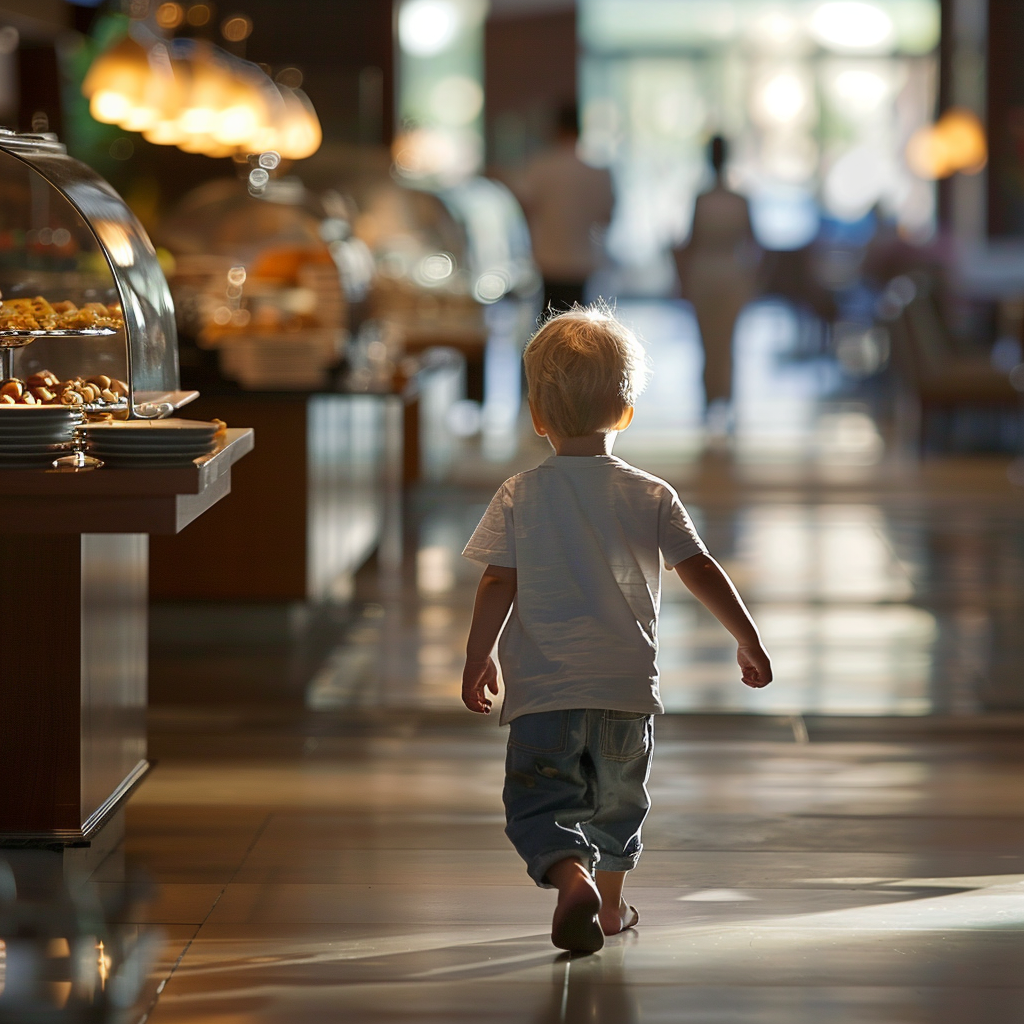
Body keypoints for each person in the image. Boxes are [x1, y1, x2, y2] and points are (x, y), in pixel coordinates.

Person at [460, 305, 772, 953]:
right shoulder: (652, 495)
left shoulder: (519, 493)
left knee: (542, 802)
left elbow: (497, 582)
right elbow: (700, 569)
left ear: (537, 415)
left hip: (545, 690)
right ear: (625, 412)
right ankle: (608, 907)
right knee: (617, 802)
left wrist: (478, 656)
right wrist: (748, 637)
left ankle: (568, 875)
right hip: (628, 690)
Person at [674, 135, 759, 432]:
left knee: (709, 340)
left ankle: (712, 399)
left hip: (706, 273)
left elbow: (690, 242)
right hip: (730, 274)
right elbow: (753, 243)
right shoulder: (739, 200)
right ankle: (722, 398)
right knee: (725, 341)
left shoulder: (703, 199)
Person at [514, 105, 614, 313]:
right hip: (582, 259)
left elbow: (524, 208)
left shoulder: (540, 167)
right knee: (580, 323)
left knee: (548, 320)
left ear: (556, 129)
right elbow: (607, 217)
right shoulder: (597, 172)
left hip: (548, 257)